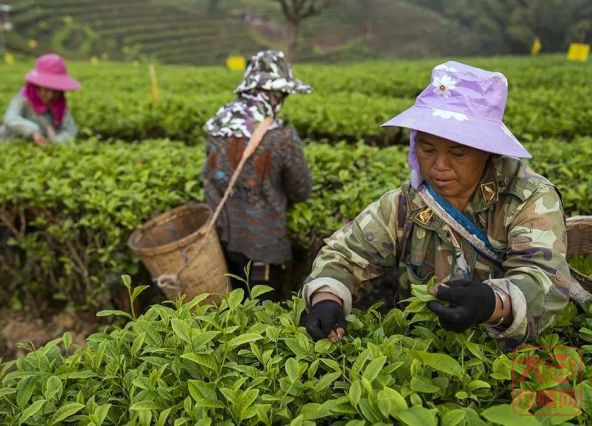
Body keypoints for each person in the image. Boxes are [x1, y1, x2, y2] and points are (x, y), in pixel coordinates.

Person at [301, 61, 572, 351]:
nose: (439, 166)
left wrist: (493, 303)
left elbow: (546, 279)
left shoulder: (529, 199)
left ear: (487, 151)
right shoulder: (407, 203)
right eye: (428, 149)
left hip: (502, 360)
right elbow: (347, 254)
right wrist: (326, 297)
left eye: (458, 152)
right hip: (418, 359)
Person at [203, 50, 313, 301]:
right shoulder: (281, 137)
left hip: (221, 243)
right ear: (273, 94)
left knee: (227, 315)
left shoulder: (216, 126)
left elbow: (209, 178)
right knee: (262, 323)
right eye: (282, 94)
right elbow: (301, 190)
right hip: (264, 249)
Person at [0, 53, 80, 145]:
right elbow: (10, 118)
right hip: (12, 144)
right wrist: (34, 130)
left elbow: (70, 131)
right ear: (37, 86)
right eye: (46, 90)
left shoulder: (60, 104)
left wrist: (54, 141)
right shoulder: (23, 99)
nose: (50, 96)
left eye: (56, 92)